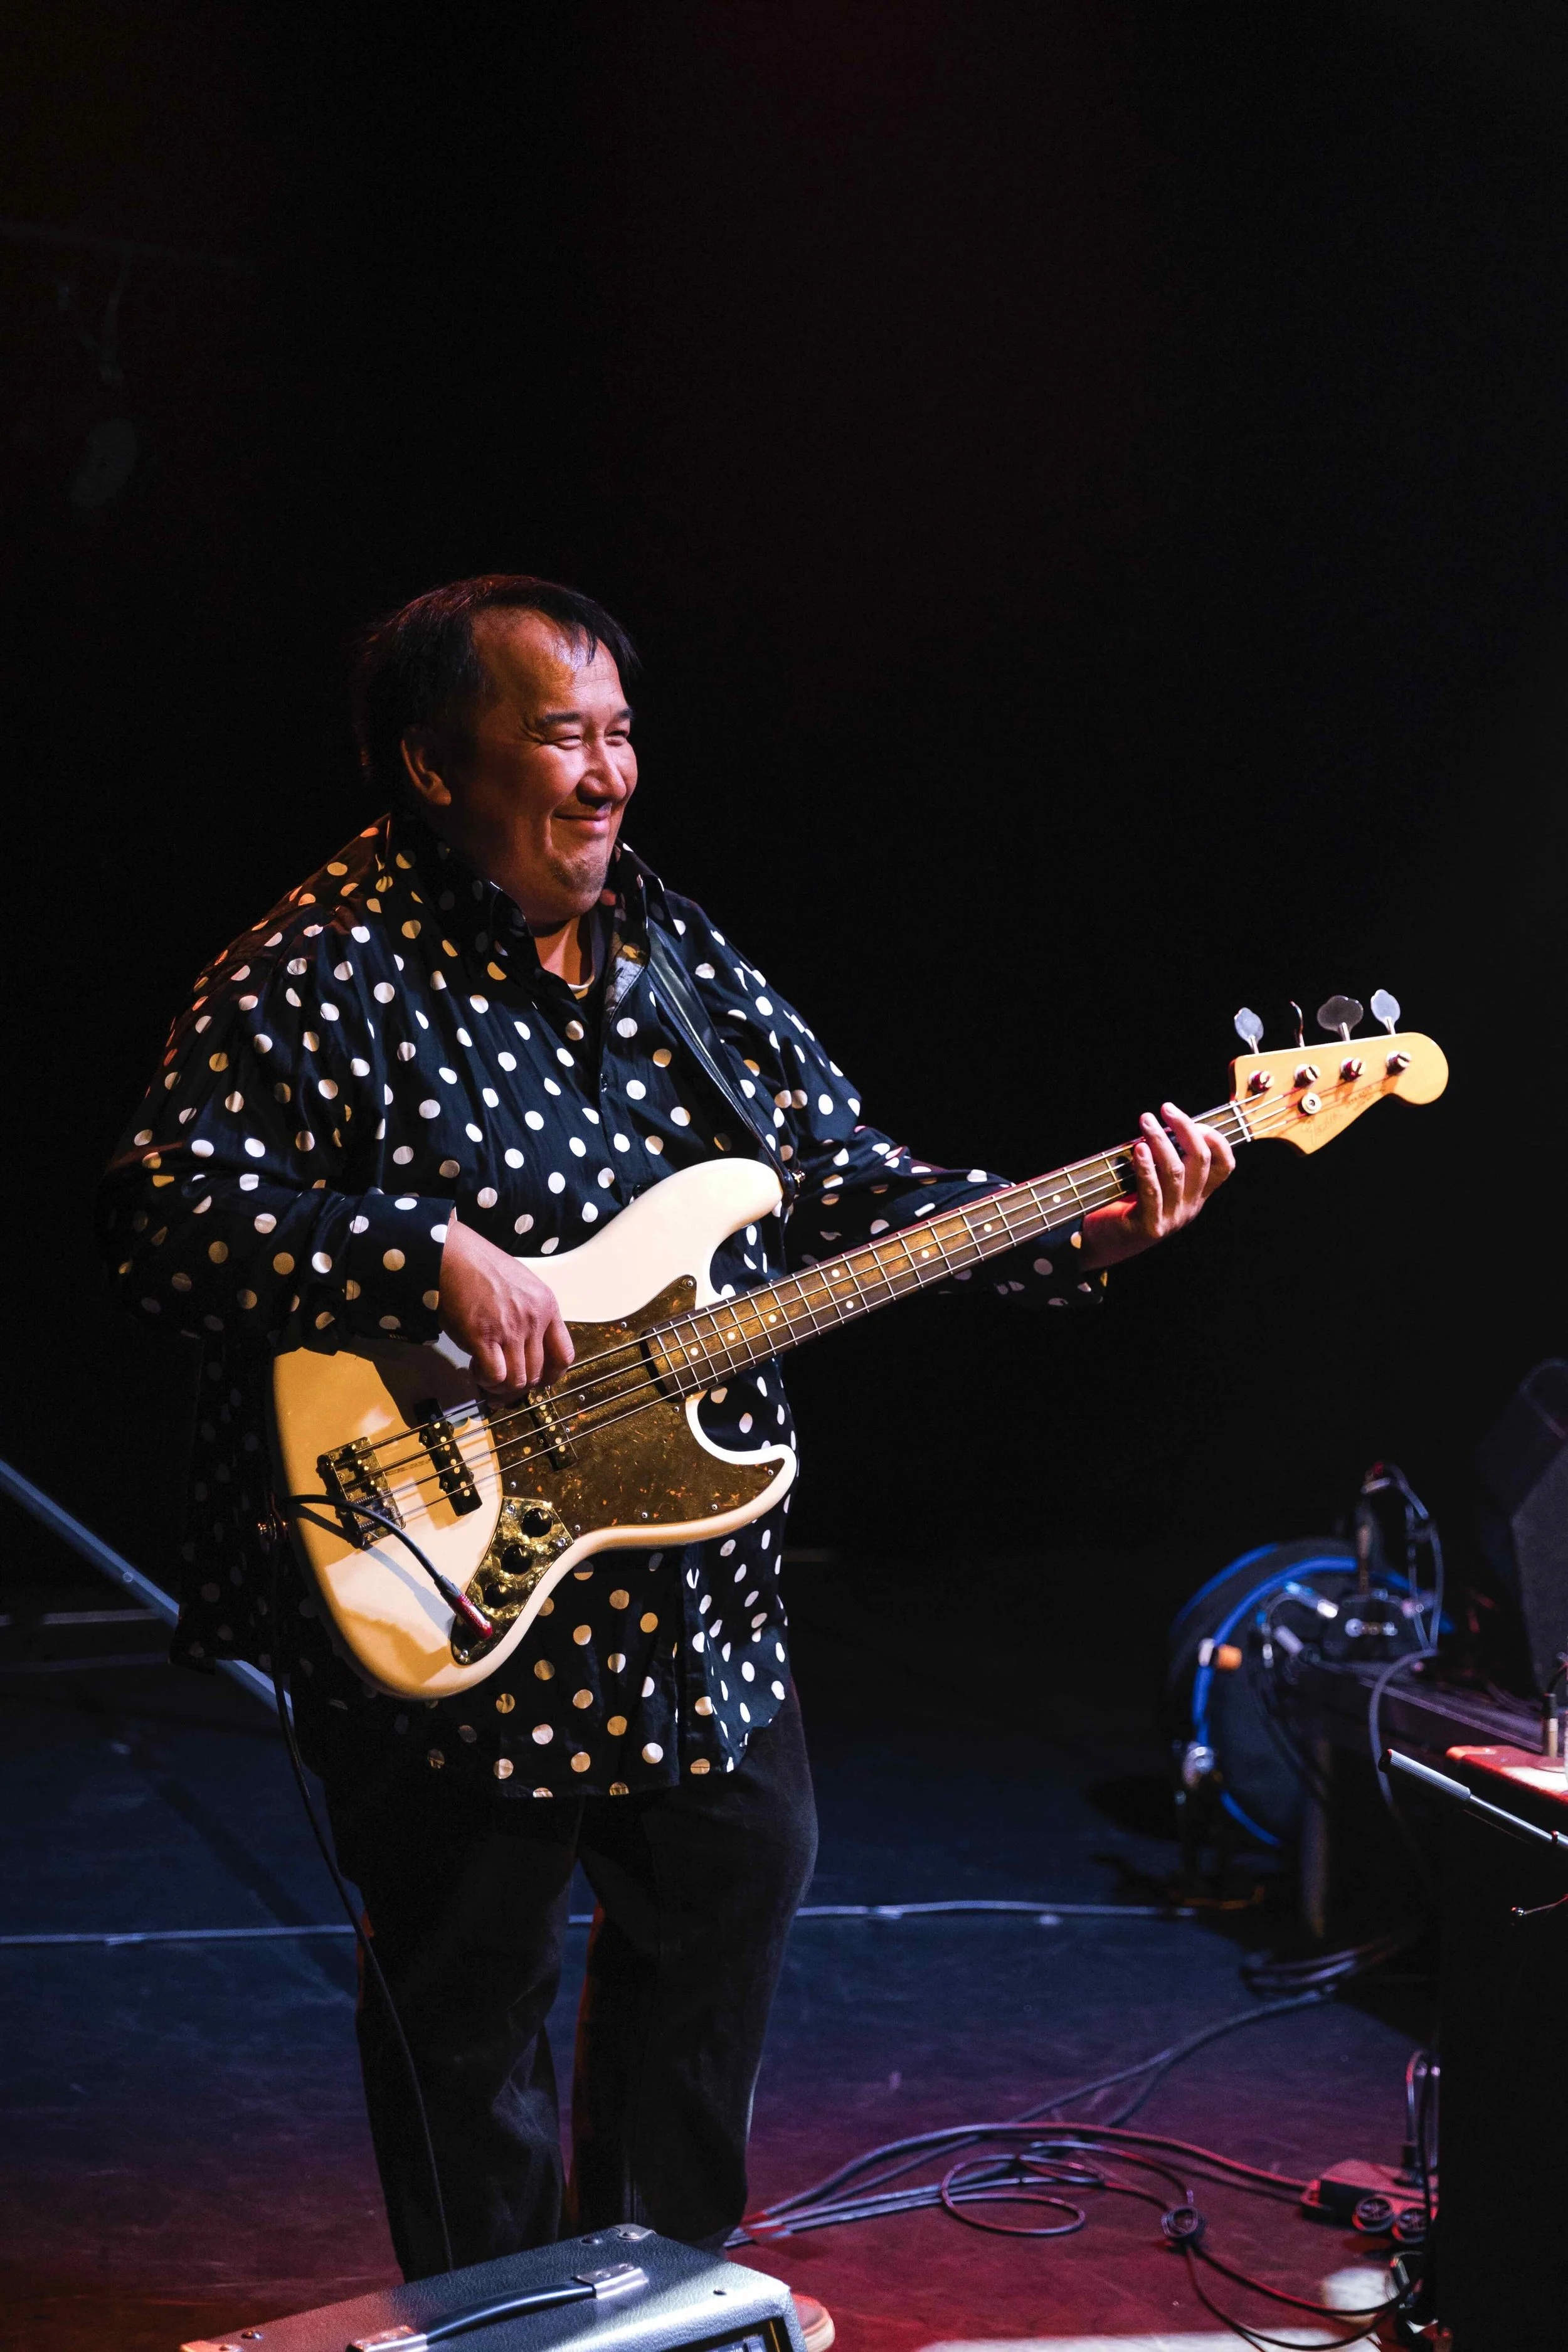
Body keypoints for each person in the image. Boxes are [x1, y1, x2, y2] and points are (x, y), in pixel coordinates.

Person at [97, 576, 1233, 2329]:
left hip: (694, 1591)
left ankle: (659, 2304)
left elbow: (847, 1182)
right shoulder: (322, 968)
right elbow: (162, 1221)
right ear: (431, 762)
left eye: (621, 728)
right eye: (562, 731)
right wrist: (419, 1254)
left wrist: (1083, 1227)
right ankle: (507, 2325)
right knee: (468, 2016)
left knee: (719, 1925)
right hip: (460, 1587)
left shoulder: (671, 951)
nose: (610, 770)